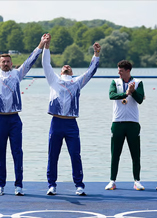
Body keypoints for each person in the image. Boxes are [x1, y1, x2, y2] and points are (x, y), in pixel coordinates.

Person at [0, 32, 46, 196]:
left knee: (17, 152)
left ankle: (19, 185)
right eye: (3, 62)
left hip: (14, 119)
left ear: (12, 63)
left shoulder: (18, 74)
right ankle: (0, 185)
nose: (5, 64)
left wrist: (41, 43)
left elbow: (31, 60)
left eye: (8, 62)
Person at [42, 33, 101, 196]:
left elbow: (91, 72)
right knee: (53, 155)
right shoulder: (53, 80)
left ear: (72, 71)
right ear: (61, 71)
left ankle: (79, 185)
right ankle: (52, 184)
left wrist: (96, 55)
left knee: (75, 154)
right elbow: (46, 64)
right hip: (56, 122)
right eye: (64, 67)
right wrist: (46, 46)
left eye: (69, 67)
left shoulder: (77, 82)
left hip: (71, 124)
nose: (66, 67)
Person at [105, 60, 145, 191]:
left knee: (135, 154)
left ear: (128, 71)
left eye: (121, 71)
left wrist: (133, 92)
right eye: (118, 70)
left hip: (133, 123)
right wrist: (125, 93)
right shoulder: (115, 82)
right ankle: (112, 180)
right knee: (115, 153)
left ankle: (137, 181)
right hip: (117, 122)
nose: (119, 73)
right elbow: (111, 95)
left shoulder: (138, 83)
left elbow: (140, 100)